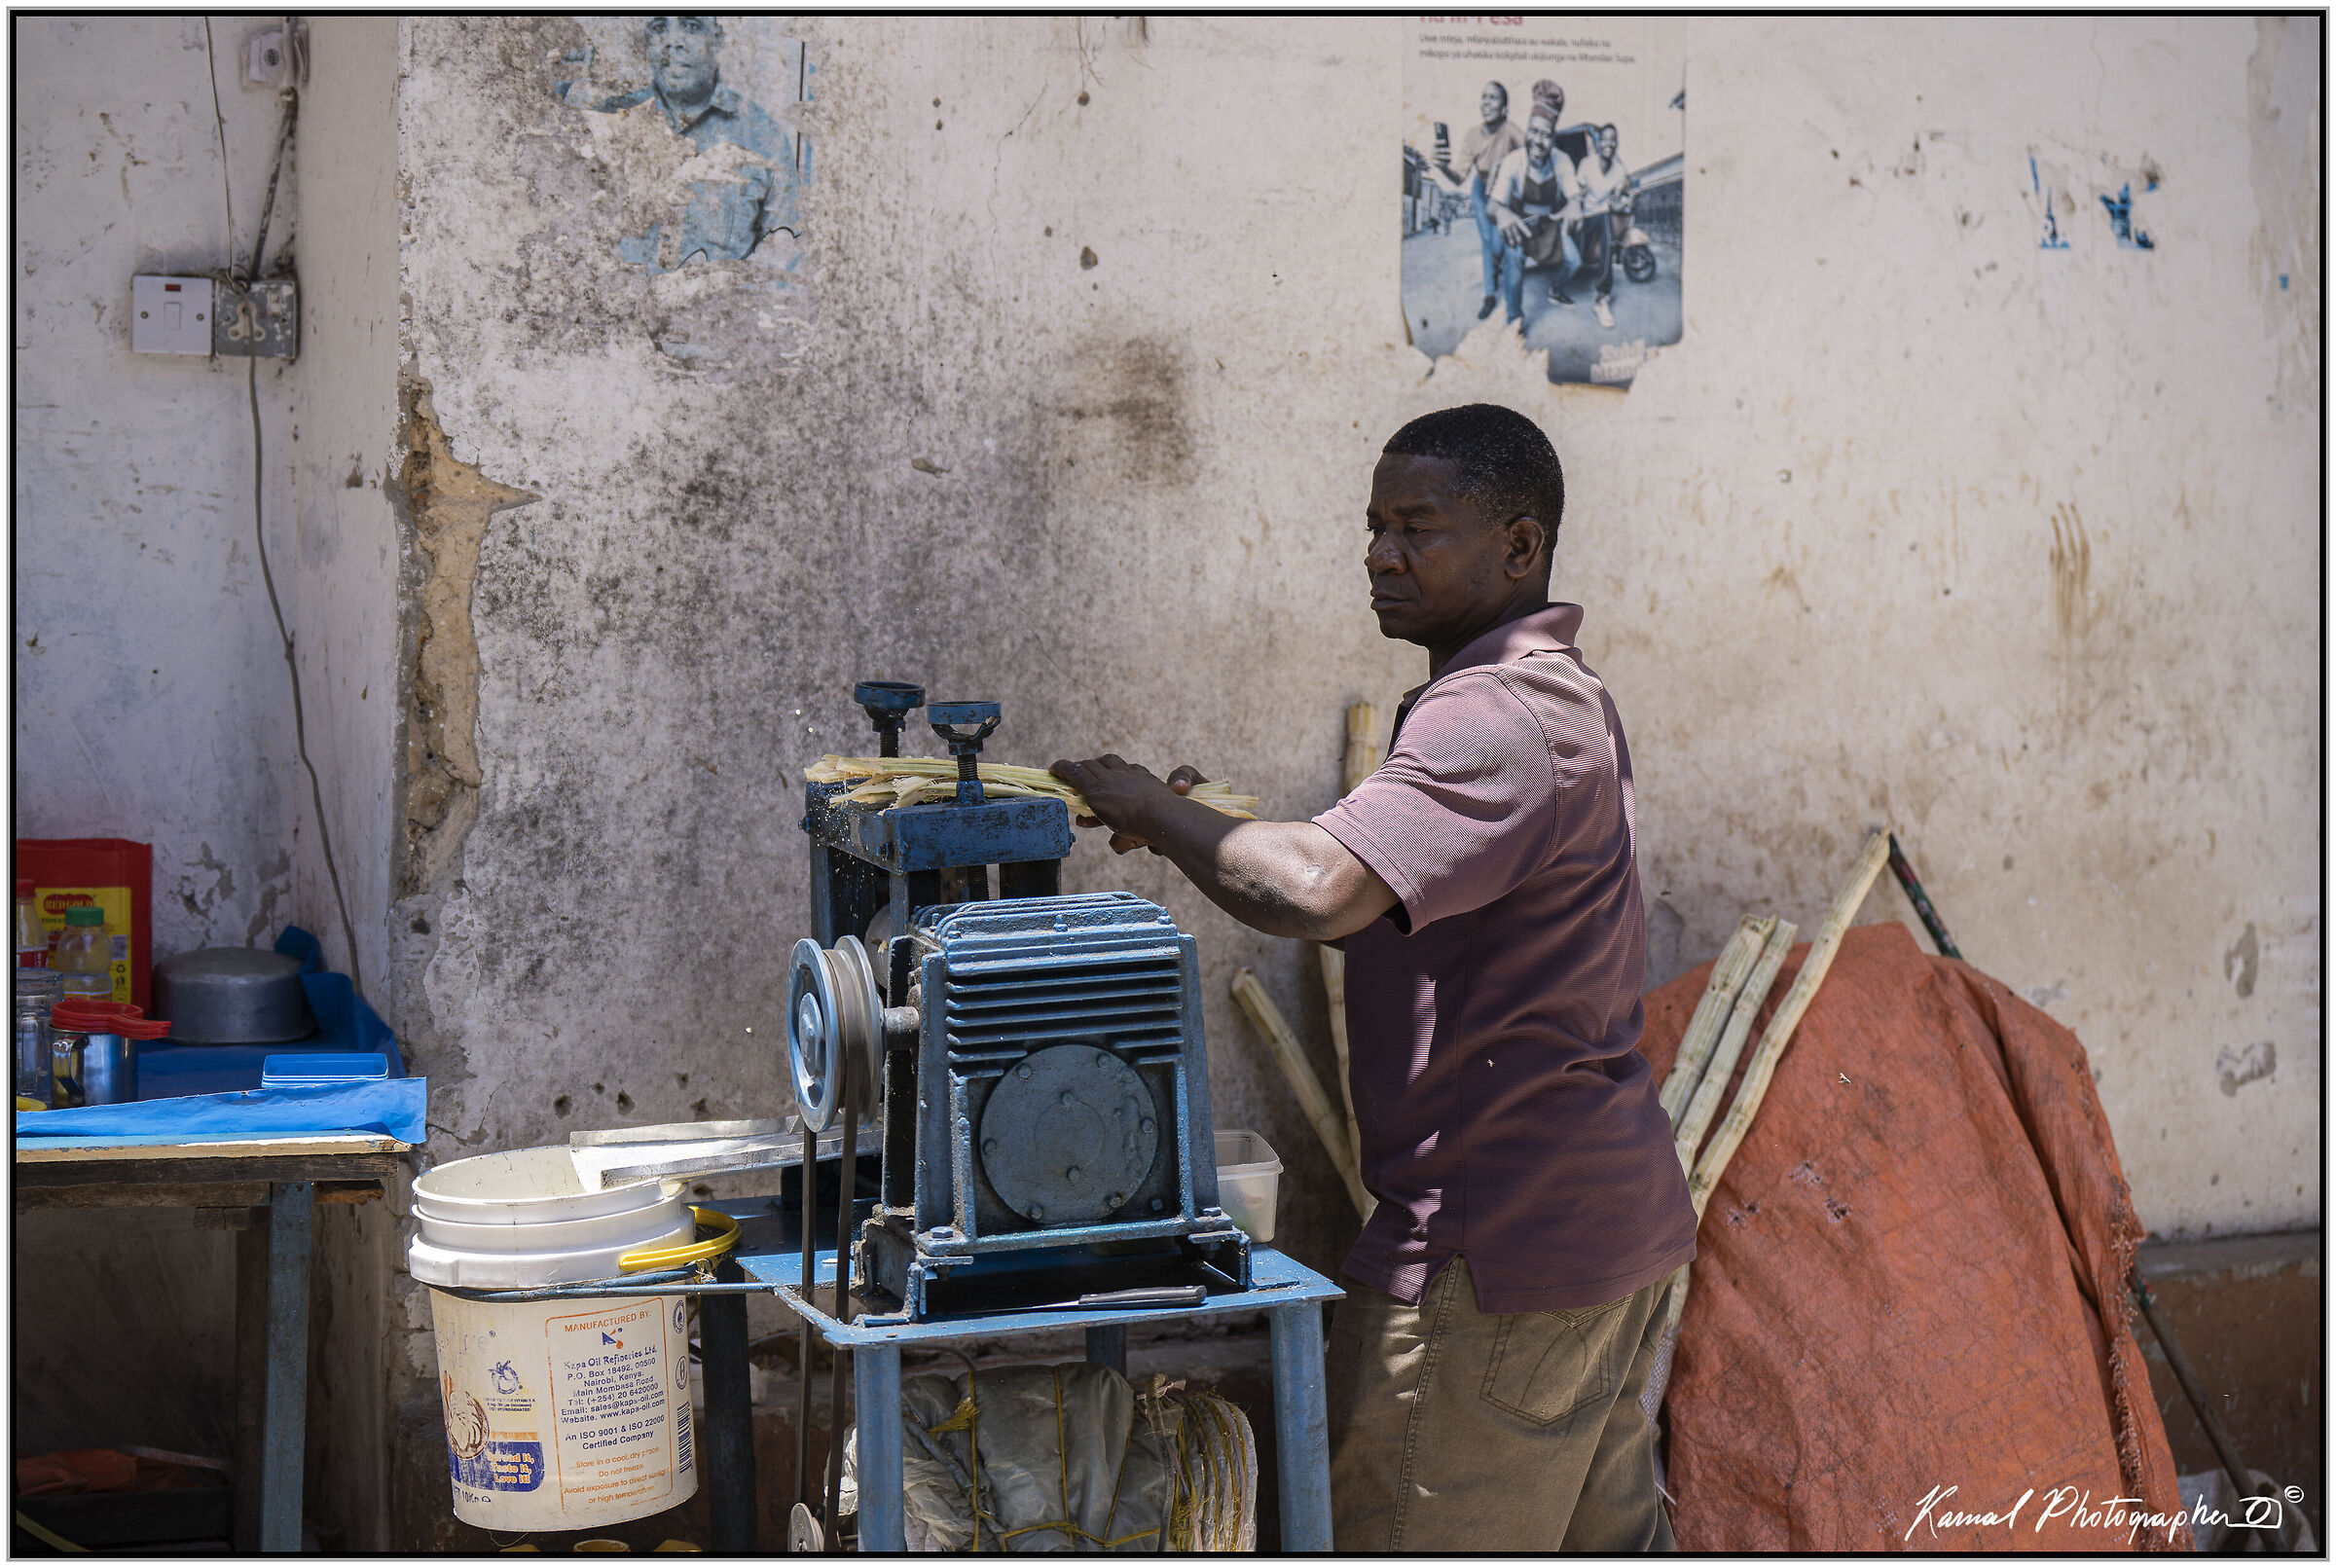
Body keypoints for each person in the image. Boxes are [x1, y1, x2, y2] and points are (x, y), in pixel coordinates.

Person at [1053, 404, 1696, 1551]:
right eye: (1372, 527)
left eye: (1417, 527)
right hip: (1599, 1234)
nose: (1380, 555)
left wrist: (1152, 804)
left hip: (1497, 1251)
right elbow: (1385, 907)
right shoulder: (1548, 695)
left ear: (1519, 544)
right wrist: (1198, 834)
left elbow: (1311, 890)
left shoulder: (1497, 714)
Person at [565, 15, 798, 274]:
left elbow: (785, 260)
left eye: (691, 25)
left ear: (717, 38)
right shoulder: (604, 121)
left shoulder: (764, 138)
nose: (673, 42)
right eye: (660, 27)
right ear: (647, 40)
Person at [1483, 95, 1583, 325]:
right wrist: (1502, 213)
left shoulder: (1562, 161)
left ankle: (1556, 290)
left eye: (1546, 135)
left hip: (1550, 222)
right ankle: (1514, 318)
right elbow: (1492, 206)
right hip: (1521, 224)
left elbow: (1574, 194)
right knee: (1514, 260)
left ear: (1553, 139)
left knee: (1574, 261)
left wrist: (1575, 205)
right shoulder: (1513, 161)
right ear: (1527, 132)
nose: (1538, 141)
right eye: (1534, 132)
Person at [1432, 82, 1526, 321]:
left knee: (1505, 245)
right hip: (1481, 190)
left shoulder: (1513, 132)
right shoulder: (1472, 135)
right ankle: (1490, 294)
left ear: (1504, 107)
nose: (1486, 102)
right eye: (1483, 97)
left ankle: (1511, 301)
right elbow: (1458, 177)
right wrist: (1442, 166)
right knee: (1489, 245)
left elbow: (1529, 162)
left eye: (1493, 98)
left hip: (1505, 193)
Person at [1569, 125, 1634, 328]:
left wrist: (1626, 199)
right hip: (1584, 213)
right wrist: (1575, 214)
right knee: (1576, 256)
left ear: (1617, 144)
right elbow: (1578, 193)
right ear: (1598, 143)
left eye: (1613, 139)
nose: (1609, 143)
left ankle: (1602, 298)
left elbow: (1615, 201)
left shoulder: (1619, 170)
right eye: (1604, 139)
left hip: (1602, 213)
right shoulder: (1587, 165)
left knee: (1608, 242)